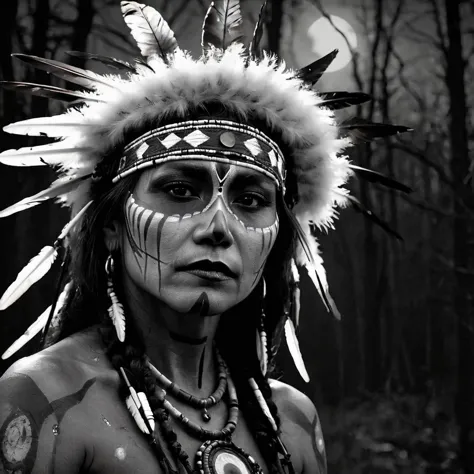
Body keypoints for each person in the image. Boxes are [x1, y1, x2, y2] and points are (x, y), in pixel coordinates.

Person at [0, 1, 410, 473]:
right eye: (179, 190)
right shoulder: (49, 401)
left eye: (251, 201)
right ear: (112, 226)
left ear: (277, 239)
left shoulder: (293, 422)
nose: (219, 227)